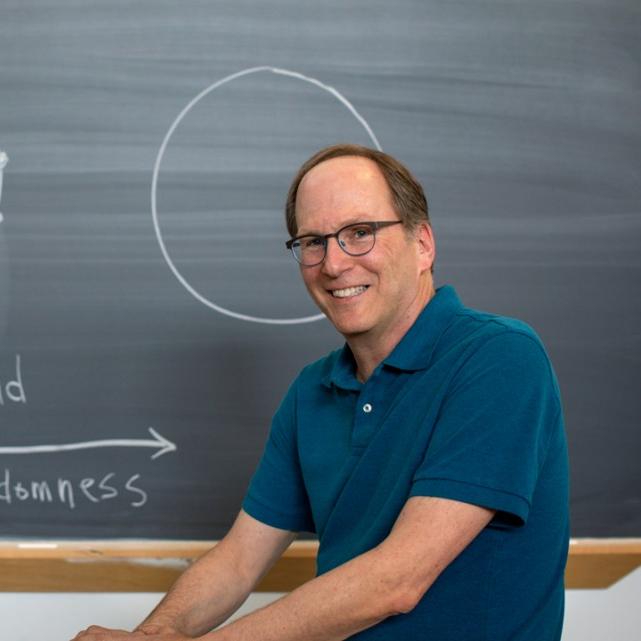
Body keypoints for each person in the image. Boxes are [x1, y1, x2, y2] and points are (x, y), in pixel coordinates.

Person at [73, 144, 569, 641]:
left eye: (359, 233)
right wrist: (150, 636)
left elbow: (397, 580)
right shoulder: (312, 390)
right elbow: (238, 562)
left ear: (423, 244)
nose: (333, 263)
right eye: (312, 241)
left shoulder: (498, 358)